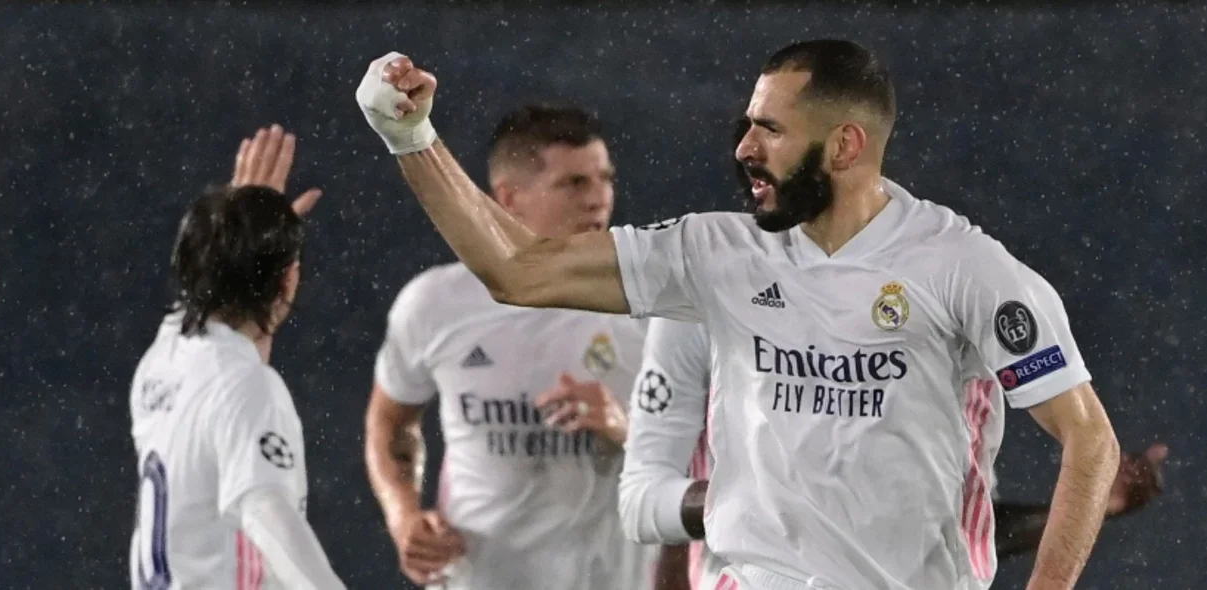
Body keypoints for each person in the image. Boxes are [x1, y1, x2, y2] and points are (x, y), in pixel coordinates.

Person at [355, 38, 1123, 590]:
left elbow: (1088, 440)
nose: (745, 147)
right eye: (748, 123)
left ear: (845, 146)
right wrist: (410, 136)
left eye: (771, 130)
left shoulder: (963, 269)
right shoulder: (714, 253)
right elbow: (518, 270)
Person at [619, 318, 1169, 589]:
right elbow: (650, 500)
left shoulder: (953, 310)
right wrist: (765, 503)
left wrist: (1089, 505)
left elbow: (965, 536)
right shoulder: (708, 296)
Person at [363, 104, 667, 590]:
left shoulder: (651, 307)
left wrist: (626, 427)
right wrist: (404, 517)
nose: (599, 199)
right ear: (508, 198)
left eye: (605, 179)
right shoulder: (436, 304)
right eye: (574, 183)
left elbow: (707, 455)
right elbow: (391, 422)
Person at [127, 125, 344, 590]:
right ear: (289, 280)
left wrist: (239, 230)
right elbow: (267, 514)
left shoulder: (162, 361)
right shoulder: (247, 388)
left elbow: (216, 320)